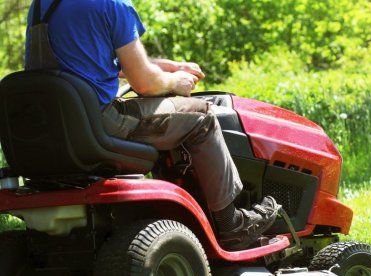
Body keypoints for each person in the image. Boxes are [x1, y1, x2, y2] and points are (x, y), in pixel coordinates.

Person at [24, 0, 280, 251]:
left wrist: (171, 68)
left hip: (51, 128)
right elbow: (146, 84)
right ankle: (232, 224)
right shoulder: (113, 5)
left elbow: (96, 61)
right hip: (99, 121)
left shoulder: (43, 6)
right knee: (202, 117)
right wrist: (174, 82)